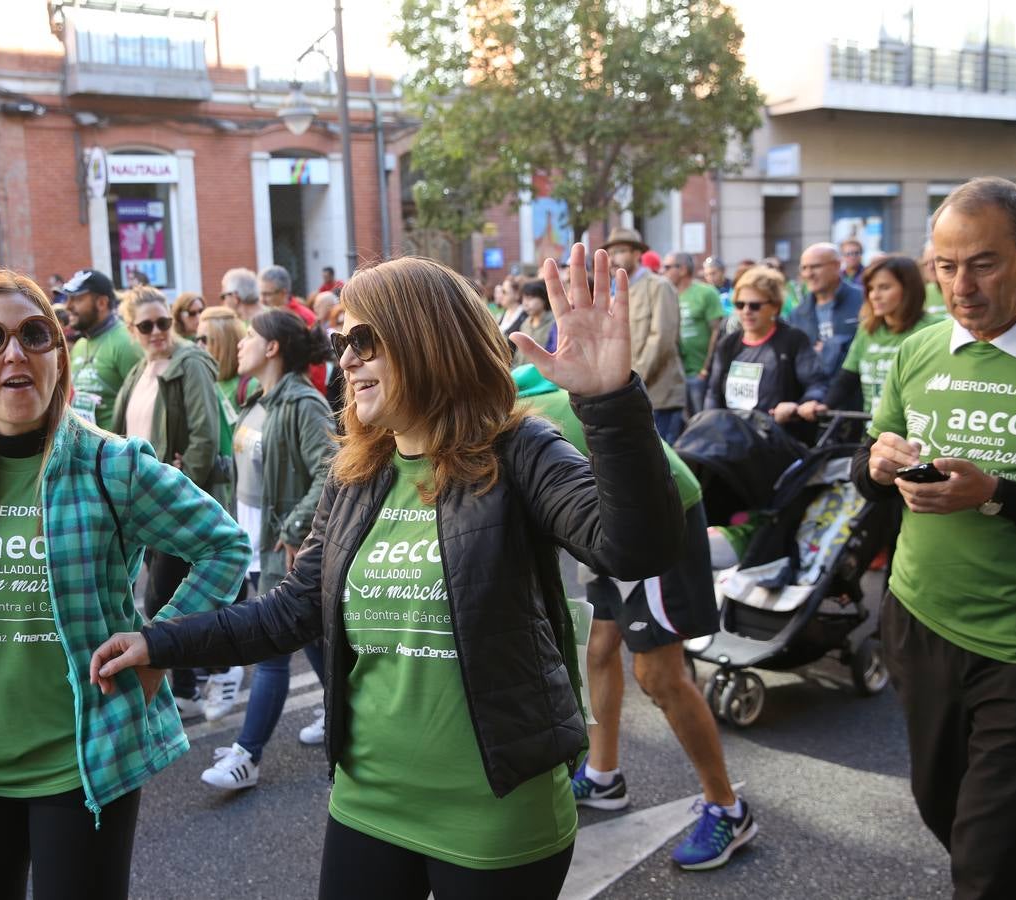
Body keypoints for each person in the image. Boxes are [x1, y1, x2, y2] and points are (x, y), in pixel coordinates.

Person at [90, 246, 684, 898]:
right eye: (342, 341)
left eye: (364, 340)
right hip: (367, 803)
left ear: (426, 340)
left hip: (495, 811)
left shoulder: (518, 450)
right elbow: (292, 610)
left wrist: (609, 401)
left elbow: (635, 550)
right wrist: (161, 641)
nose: (345, 359)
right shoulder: (358, 474)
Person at [0, 270, 248, 900]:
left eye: (34, 335)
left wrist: (160, 643)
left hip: (82, 765)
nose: (15, 352)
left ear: (58, 358)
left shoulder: (114, 465)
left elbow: (225, 545)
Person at [852, 177, 1016, 900]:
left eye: (984, 263)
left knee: (985, 863)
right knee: (943, 810)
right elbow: (869, 472)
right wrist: (874, 465)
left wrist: (993, 494)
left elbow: (999, 495)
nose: (962, 286)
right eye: (946, 265)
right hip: (918, 621)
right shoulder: (921, 350)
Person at [512, 364, 753, 870]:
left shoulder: (499, 413)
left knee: (658, 675)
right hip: (607, 514)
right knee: (598, 650)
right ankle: (604, 776)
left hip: (660, 514)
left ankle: (728, 808)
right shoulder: (497, 393)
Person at [199, 309, 335, 791]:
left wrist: (298, 528)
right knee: (315, 639)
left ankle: (247, 755)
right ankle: (344, 716)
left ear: (272, 347)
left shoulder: (302, 402)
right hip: (257, 543)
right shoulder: (257, 399)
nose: (239, 344)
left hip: (285, 548)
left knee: (273, 650)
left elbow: (332, 469)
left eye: (249, 336)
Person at [111, 286, 239, 719]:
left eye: (164, 322)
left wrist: (184, 492)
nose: (158, 332)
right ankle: (191, 686)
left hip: (173, 504)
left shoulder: (190, 363)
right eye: (146, 326)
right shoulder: (139, 373)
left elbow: (204, 436)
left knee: (162, 600)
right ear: (132, 329)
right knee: (177, 598)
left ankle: (208, 677)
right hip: (140, 508)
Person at [798, 255, 943, 420]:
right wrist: (824, 404)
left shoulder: (935, 330)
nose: (875, 295)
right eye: (871, 288)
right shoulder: (867, 330)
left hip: (912, 435)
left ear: (908, 289)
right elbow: (848, 377)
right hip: (871, 432)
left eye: (884, 287)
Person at [705, 265, 826, 437]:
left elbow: (816, 384)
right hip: (731, 438)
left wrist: (801, 406)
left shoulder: (793, 340)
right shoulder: (728, 344)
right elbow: (713, 394)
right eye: (740, 305)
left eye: (754, 305)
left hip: (777, 440)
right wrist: (712, 425)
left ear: (775, 307)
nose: (746, 311)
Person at [602, 226, 686, 443]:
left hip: (658, 396)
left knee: (663, 468)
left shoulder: (659, 286)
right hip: (627, 395)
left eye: (619, 251)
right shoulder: (614, 292)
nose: (613, 259)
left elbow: (662, 339)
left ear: (637, 254)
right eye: (610, 253)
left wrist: (631, 381)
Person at [62, 269, 143, 427]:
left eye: (76, 299)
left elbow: (145, 405)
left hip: (117, 448)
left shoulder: (126, 342)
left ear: (101, 303)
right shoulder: (80, 345)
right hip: (85, 448)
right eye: (68, 299)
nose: (68, 306)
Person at [791, 242, 864, 381]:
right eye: (804, 268)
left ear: (837, 266)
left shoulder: (863, 301)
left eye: (815, 266)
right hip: (814, 397)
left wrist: (831, 349)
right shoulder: (797, 314)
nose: (808, 274)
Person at [665, 252, 726, 416]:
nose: (664, 272)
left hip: (699, 374)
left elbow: (716, 331)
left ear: (683, 269)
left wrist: (705, 369)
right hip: (677, 374)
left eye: (668, 267)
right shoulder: (668, 294)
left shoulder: (706, 293)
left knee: (702, 420)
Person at [258, 265, 326, 393]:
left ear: (283, 293)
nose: (262, 300)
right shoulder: (266, 317)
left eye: (267, 294)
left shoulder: (305, 318)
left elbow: (316, 363)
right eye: (260, 294)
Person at [197, 306, 254, 408]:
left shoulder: (251, 386)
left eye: (205, 340)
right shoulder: (203, 382)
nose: (199, 346)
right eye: (197, 339)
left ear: (225, 342)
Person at [509, 279, 555, 368]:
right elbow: (518, 355)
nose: (525, 303)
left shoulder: (554, 324)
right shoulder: (525, 324)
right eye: (523, 299)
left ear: (544, 299)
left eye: (530, 298)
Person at [919, 240, 948, 317]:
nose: (930, 267)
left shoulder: (962, 289)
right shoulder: (922, 293)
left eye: (935, 261)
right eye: (926, 263)